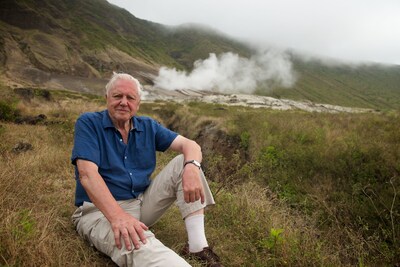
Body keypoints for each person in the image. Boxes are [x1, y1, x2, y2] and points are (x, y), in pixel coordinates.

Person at [71, 72, 222, 267]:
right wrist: (118, 217)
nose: (124, 102)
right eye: (117, 96)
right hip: (98, 211)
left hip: (140, 203)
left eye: (130, 98)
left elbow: (190, 145)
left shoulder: (147, 126)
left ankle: (197, 246)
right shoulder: (89, 123)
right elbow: (87, 174)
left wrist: (192, 169)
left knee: (183, 162)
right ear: (106, 98)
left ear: (138, 103)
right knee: (142, 247)